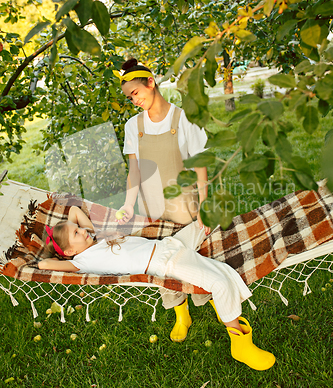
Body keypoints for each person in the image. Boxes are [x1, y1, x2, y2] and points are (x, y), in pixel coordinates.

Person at [38, 206, 276, 371]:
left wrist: (64, 229)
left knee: (211, 219)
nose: (83, 231)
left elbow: (75, 213)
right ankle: (240, 345)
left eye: (79, 228)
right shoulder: (80, 262)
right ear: (69, 252)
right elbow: (44, 264)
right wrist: (51, 246)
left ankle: (260, 229)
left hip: (170, 245)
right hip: (167, 263)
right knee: (220, 283)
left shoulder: (96, 237)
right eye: (77, 233)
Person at [113, 57, 213, 343]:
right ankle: (180, 313)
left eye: (136, 92)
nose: (133, 100)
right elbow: (135, 170)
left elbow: (200, 165)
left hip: (185, 203)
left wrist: (204, 205)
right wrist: (129, 204)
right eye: (129, 97)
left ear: (151, 82)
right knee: (160, 262)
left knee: (193, 257)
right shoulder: (134, 126)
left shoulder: (183, 119)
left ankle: (210, 298)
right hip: (151, 206)